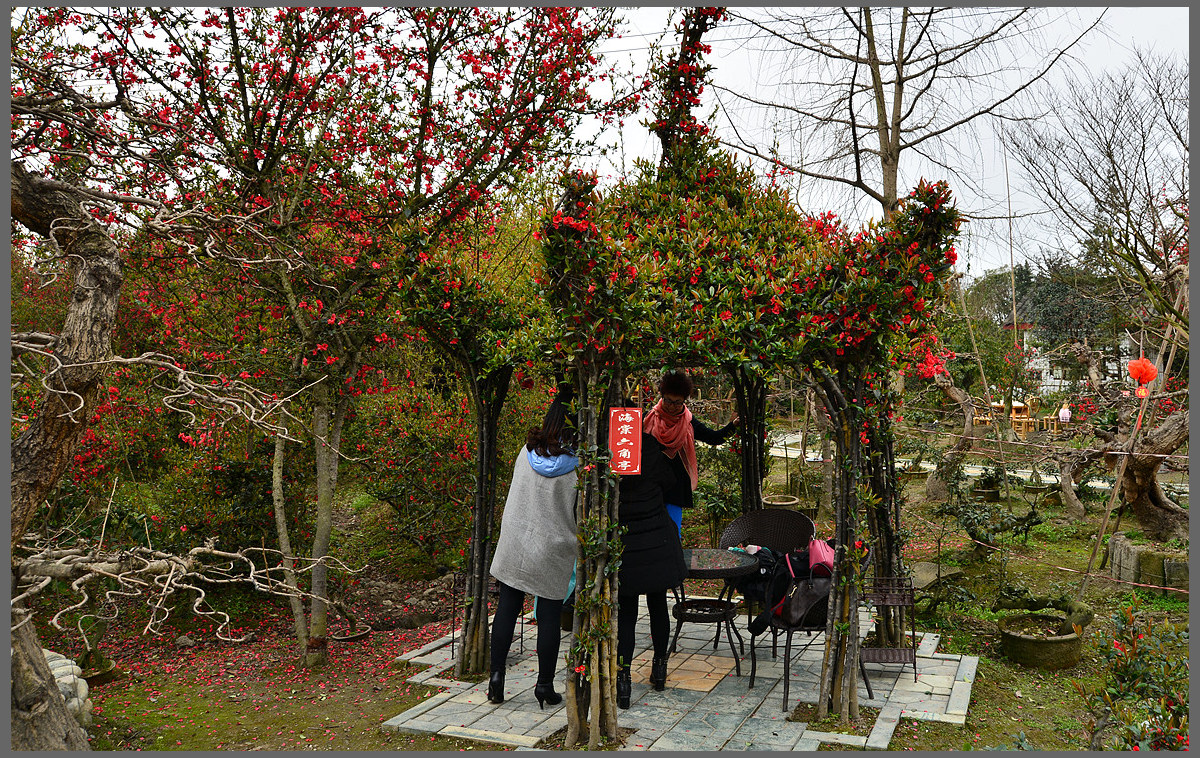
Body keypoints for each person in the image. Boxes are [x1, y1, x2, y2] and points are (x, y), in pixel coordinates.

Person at [487, 390, 578, 709]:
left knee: (507, 608)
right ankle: (544, 686)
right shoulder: (578, 467)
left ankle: (496, 679)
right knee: (549, 615)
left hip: (516, 540)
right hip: (551, 547)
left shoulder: (526, 452)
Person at [614, 426, 687, 708]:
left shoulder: (606, 451)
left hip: (626, 545)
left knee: (627, 615)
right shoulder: (648, 446)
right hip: (656, 540)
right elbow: (670, 481)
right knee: (658, 605)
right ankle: (659, 669)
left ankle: (623, 680)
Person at [643, 370, 739, 537]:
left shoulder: (688, 422)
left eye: (677, 403)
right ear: (661, 396)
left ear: (684, 401)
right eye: (668, 401)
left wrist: (733, 426)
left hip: (675, 486)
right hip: (650, 485)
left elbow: (713, 438)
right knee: (649, 532)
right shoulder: (647, 419)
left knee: (673, 533)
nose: (671, 406)